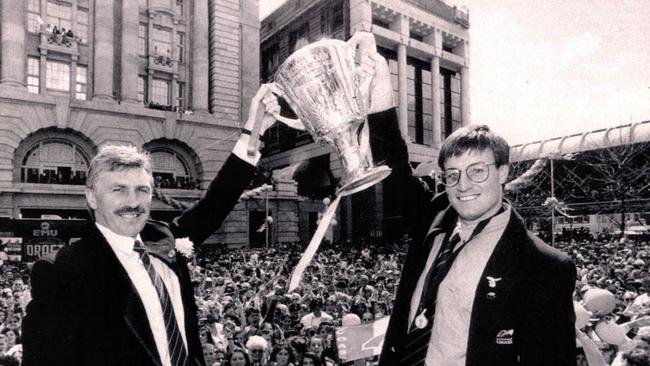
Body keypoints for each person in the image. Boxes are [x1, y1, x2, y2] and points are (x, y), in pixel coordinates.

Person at [21, 85, 282, 366]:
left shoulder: (163, 236)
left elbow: (217, 202)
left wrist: (254, 129)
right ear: (92, 197)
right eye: (118, 190)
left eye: (142, 190)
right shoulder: (62, 270)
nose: (133, 202)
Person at [360, 49, 577, 365]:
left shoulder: (543, 266)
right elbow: (393, 163)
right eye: (453, 174)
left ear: (503, 172)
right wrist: (379, 87)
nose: (463, 185)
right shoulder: (433, 222)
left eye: (477, 171)